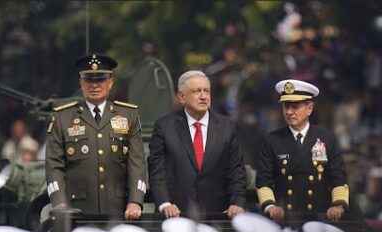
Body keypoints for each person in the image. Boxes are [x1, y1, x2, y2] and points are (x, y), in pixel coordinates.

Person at [45, 53, 146, 220]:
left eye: (100, 80)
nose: (95, 85)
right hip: (75, 210)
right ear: (81, 83)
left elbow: (137, 163)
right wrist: (59, 203)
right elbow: (54, 165)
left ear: (110, 83)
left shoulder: (128, 115)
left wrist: (135, 201)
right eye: (89, 80)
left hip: (119, 209)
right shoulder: (63, 117)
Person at [148, 70, 247, 219]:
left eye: (207, 91)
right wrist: (164, 203)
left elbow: (237, 170)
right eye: (197, 91)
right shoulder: (164, 127)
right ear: (182, 97)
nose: (203, 96)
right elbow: (157, 172)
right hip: (176, 215)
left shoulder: (227, 126)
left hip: (219, 215)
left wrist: (237, 203)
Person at [256, 79, 349, 221]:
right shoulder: (272, 140)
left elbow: (338, 178)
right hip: (284, 218)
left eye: (295, 107)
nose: (289, 112)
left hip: (319, 218)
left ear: (309, 108)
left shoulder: (326, 138)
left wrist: (338, 205)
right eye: (286, 106)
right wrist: (270, 206)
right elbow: (263, 181)